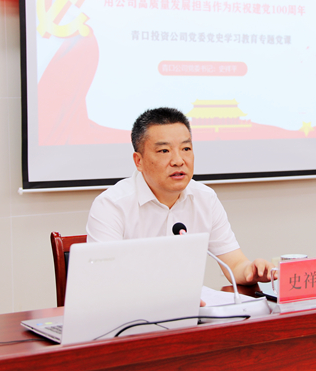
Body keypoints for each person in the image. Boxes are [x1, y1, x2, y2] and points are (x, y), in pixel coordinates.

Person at [86, 107, 275, 285]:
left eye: (186, 149)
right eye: (164, 151)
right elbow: (105, 280)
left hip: (189, 308)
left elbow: (234, 264)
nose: (178, 161)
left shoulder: (205, 199)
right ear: (139, 161)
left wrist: (251, 270)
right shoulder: (111, 206)